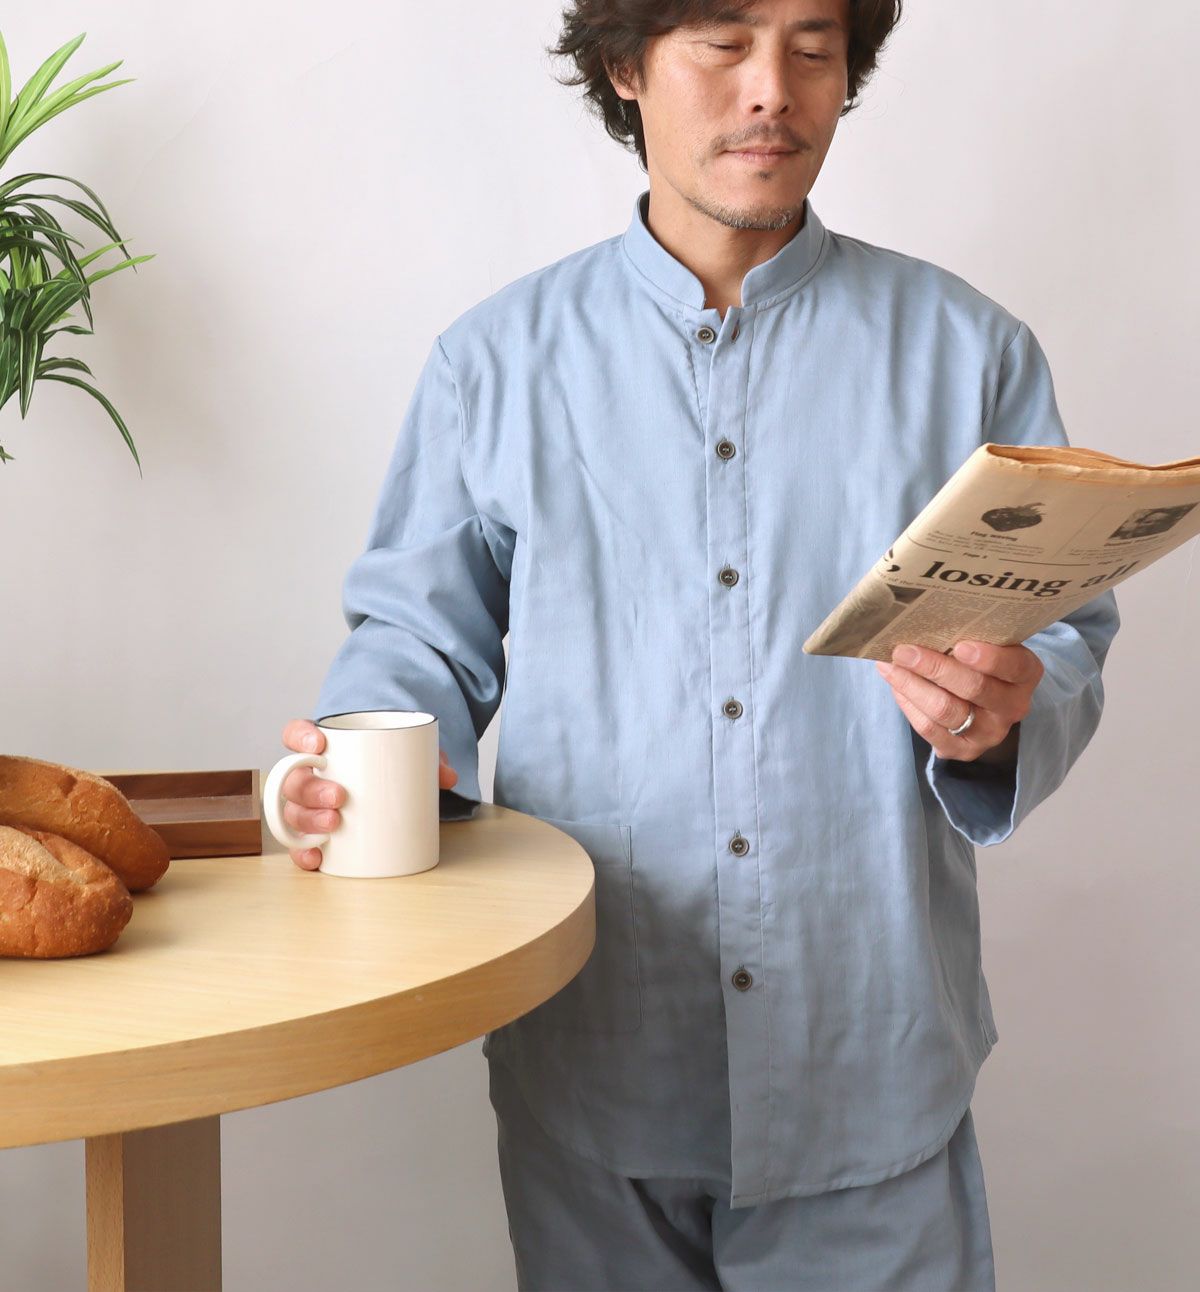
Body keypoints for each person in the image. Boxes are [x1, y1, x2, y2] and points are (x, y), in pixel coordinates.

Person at [277, 1, 1120, 1287]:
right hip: (595, 1054)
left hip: (868, 1060)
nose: (773, 89)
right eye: (724, 42)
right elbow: (417, 637)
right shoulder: (492, 362)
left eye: (813, 49)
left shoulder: (970, 353)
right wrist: (370, 761)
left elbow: (1061, 630)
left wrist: (1006, 708)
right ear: (626, 65)